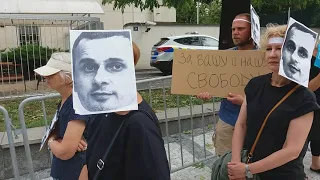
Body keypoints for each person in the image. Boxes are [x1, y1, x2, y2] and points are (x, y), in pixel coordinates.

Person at [227, 24, 320, 180]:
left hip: (284, 175)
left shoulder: (304, 97)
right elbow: (241, 124)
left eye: (280, 48)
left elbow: (292, 149)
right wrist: (236, 164)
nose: (273, 54)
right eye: (269, 49)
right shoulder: (254, 85)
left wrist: (248, 169)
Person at [78, 42, 171, 180]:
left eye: (115, 66)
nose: (98, 78)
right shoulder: (103, 110)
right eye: (91, 67)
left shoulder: (140, 125)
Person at [197, 13, 256, 156]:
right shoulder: (225, 57)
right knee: (225, 164)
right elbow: (212, 84)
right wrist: (206, 92)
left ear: (252, 31)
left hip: (256, 122)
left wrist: (244, 102)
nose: (235, 32)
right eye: (233, 29)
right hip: (228, 123)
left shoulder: (264, 58)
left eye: (240, 29)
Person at [34, 52, 94, 180]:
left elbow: (65, 151)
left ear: (68, 77)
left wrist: (51, 141)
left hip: (75, 170)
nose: (46, 77)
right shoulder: (67, 100)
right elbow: (59, 133)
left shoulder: (75, 104)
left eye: (51, 74)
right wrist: (58, 139)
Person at [72, 31, 137, 114]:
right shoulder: (101, 116)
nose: (99, 79)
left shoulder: (138, 122)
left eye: (116, 66)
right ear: (74, 79)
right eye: (89, 67)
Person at [307, 45, 320, 173]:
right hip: (309, 102)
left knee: (318, 136)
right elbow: (309, 87)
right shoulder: (307, 56)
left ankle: (316, 164)